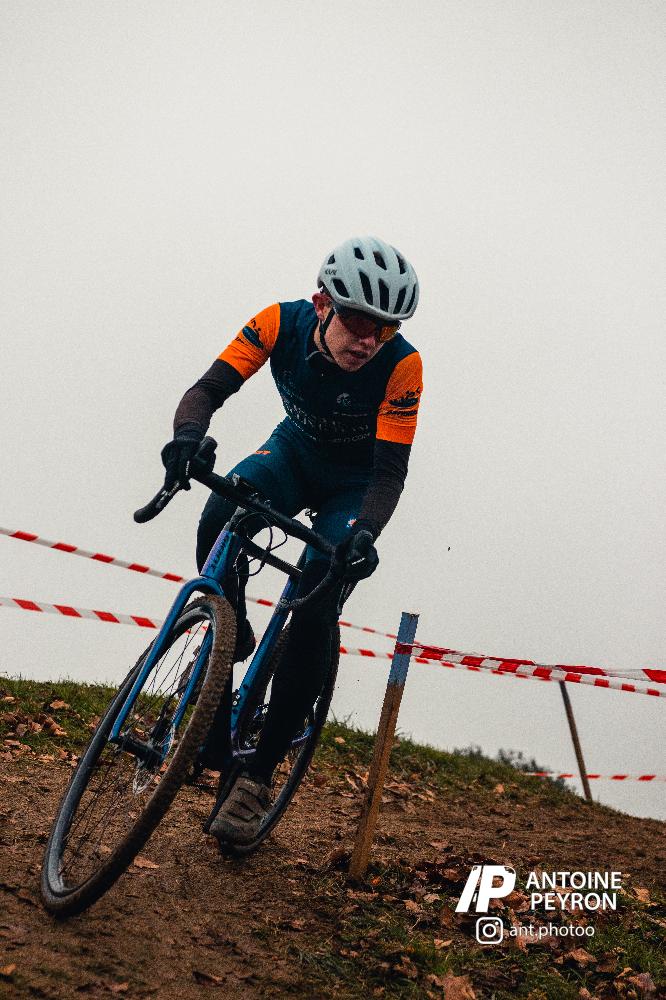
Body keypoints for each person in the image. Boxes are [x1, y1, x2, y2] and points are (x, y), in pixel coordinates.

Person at [160, 235, 423, 844]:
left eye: (385, 328)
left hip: (354, 486)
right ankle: (231, 637)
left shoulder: (402, 366)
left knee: (317, 600)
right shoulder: (279, 322)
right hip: (292, 453)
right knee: (220, 515)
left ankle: (258, 774)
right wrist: (187, 437)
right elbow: (207, 389)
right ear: (323, 303)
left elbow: (389, 473)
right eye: (359, 321)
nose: (370, 339)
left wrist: (364, 533)